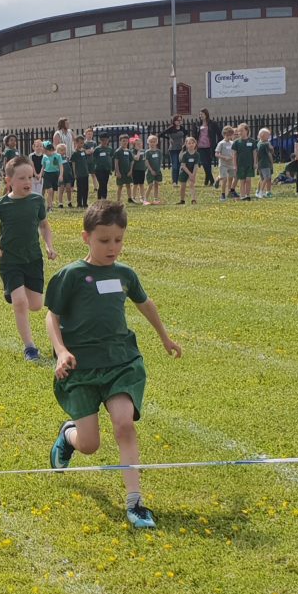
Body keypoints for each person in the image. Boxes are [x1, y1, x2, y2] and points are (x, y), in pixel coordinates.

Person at [46, 200, 181, 529]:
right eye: (104, 240)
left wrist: (165, 338)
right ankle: (68, 436)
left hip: (121, 362)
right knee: (90, 445)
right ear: (86, 238)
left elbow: (145, 304)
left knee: (124, 425)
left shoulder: (124, 274)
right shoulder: (71, 276)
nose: (112, 248)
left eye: (118, 240)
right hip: (81, 368)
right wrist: (60, 351)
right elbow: (52, 316)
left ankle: (136, 503)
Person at [0, 155, 58, 361]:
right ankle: (30, 348)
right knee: (21, 303)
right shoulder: (1, 204)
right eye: (22, 178)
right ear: (9, 181)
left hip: (33, 259)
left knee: (36, 305)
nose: (27, 182)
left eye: (30, 177)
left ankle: (14, 294)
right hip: (9, 261)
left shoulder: (37, 201)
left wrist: (49, 246)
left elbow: (44, 225)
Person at [194, 108, 221, 187]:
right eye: (200, 114)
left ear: (206, 114)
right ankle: (212, 180)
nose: (201, 116)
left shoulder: (213, 123)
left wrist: (218, 144)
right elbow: (194, 135)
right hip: (200, 146)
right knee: (204, 163)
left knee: (208, 164)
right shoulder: (197, 124)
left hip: (210, 146)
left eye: (202, 114)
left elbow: (219, 134)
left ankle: (206, 180)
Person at [232, 123, 257, 201]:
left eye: (241, 131)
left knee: (248, 179)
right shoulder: (236, 142)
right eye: (239, 131)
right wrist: (235, 165)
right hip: (240, 165)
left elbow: (254, 153)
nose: (240, 133)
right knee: (242, 180)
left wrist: (255, 163)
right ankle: (242, 196)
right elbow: (234, 155)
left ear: (246, 131)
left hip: (249, 164)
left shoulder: (252, 141)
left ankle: (248, 195)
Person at [39, 140, 62, 209]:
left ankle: (50, 204)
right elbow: (43, 167)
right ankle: (49, 206)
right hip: (47, 175)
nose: (46, 153)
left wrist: (61, 175)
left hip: (55, 174)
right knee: (50, 190)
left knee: (53, 191)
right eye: (45, 152)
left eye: (47, 151)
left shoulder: (58, 156)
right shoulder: (44, 157)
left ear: (52, 150)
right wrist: (40, 176)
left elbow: (60, 166)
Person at [215, 126, 236, 202]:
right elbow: (216, 154)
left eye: (230, 135)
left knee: (232, 177)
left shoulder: (232, 143)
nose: (229, 137)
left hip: (231, 164)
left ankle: (229, 191)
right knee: (224, 179)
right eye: (227, 135)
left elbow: (234, 152)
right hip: (223, 164)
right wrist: (224, 157)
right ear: (224, 135)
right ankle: (223, 194)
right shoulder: (221, 143)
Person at [141, 135, 163, 205]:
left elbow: (160, 161)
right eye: (151, 142)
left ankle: (155, 199)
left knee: (156, 184)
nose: (152, 143)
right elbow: (146, 162)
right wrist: (151, 170)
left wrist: (158, 169)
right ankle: (145, 200)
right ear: (148, 142)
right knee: (150, 185)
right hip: (150, 171)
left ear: (156, 142)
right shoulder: (147, 152)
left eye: (154, 142)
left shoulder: (159, 152)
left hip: (157, 171)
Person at [177, 136, 198, 205]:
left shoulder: (197, 154)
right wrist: (190, 174)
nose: (191, 144)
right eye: (189, 143)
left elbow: (195, 165)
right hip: (184, 171)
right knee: (183, 186)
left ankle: (193, 199)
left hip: (192, 171)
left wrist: (193, 175)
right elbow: (183, 165)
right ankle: (182, 200)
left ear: (195, 144)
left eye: (192, 143)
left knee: (192, 184)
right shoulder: (184, 154)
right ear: (186, 144)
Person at [92, 132, 113, 201]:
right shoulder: (97, 149)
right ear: (100, 140)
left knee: (105, 184)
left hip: (106, 169)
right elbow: (94, 159)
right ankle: (100, 199)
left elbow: (110, 158)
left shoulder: (109, 149)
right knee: (102, 183)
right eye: (103, 140)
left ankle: (104, 199)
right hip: (99, 170)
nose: (105, 142)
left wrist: (110, 168)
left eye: (106, 140)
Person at [257, 128, 275, 199]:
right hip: (266, 163)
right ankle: (261, 192)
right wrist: (271, 162)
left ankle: (261, 191)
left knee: (262, 178)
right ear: (262, 135)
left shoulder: (258, 143)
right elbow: (270, 154)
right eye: (268, 135)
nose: (269, 137)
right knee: (266, 177)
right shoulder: (266, 144)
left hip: (260, 164)